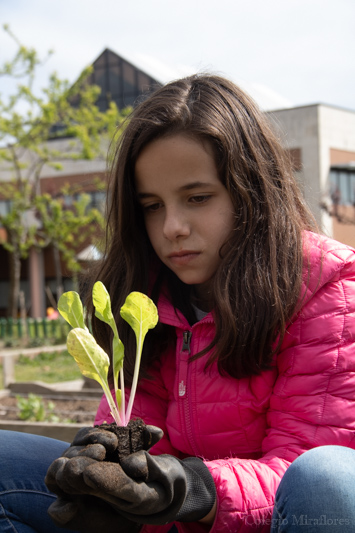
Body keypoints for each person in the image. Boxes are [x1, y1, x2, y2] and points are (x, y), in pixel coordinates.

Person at [1, 74, 355, 533]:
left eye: (197, 198)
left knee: (327, 477)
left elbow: (300, 480)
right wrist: (102, 477)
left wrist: (190, 489)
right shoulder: (144, 293)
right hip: (170, 523)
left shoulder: (328, 285)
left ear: (252, 193)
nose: (172, 227)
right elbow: (132, 441)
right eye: (151, 205)